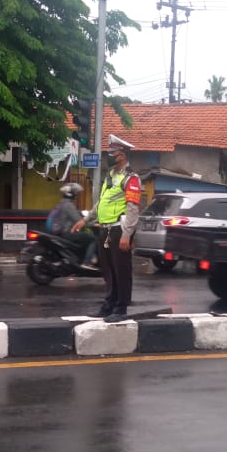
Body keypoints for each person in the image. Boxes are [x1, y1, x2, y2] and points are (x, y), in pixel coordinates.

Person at [72, 134, 141, 322]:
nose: (109, 157)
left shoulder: (131, 178)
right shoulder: (110, 176)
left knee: (121, 271)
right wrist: (85, 220)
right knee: (108, 271)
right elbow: (101, 203)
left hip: (119, 230)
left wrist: (127, 235)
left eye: (113, 154)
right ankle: (109, 304)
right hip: (105, 229)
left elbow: (133, 209)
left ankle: (121, 308)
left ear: (122, 155)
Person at [48, 182, 96, 265]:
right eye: (76, 192)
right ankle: (87, 263)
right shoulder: (68, 205)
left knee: (86, 233)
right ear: (70, 194)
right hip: (67, 233)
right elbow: (79, 222)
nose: (77, 195)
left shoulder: (62, 203)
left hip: (63, 232)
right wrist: (94, 224)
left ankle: (80, 258)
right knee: (92, 238)